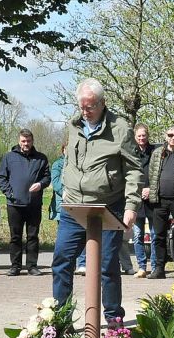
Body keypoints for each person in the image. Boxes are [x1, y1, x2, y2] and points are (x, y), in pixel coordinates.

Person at [51, 78, 142, 325]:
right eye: (82, 106)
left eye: (90, 107)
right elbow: (68, 159)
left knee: (107, 266)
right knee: (61, 261)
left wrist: (131, 206)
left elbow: (134, 170)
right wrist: (65, 188)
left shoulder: (120, 129)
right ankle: (60, 320)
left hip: (107, 207)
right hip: (74, 208)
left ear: (103, 103)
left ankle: (113, 319)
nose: (85, 112)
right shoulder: (73, 126)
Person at [0, 128, 50, 276]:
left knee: (33, 236)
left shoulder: (41, 158)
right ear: (19, 141)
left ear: (32, 141)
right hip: (14, 204)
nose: (26, 143)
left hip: (34, 204)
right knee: (15, 236)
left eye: (28, 141)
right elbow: (1, 178)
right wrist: (10, 193)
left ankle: (32, 266)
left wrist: (40, 184)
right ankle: (15, 266)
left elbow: (47, 177)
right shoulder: (9, 157)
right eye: (23, 141)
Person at [146, 125, 174, 279]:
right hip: (160, 201)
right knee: (158, 235)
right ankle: (159, 269)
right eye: (170, 135)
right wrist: (151, 192)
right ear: (166, 136)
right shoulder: (157, 153)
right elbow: (151, 174)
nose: (173, 138)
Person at [131, 124, 157, 278]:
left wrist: (150, 189)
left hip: (152, 200)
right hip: (137, 200)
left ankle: (154, 266)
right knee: (137, 235)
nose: (141, 138)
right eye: (139, 136)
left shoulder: (155, 152)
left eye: (144, 135)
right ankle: (141, 266)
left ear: (147, 136)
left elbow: (158, 174)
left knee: (154, 234)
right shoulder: (131, 152)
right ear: (135, 137)